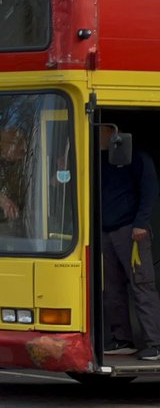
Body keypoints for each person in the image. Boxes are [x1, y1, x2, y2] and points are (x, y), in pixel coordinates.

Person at [99, 125, 160, 361]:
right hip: (105, 232)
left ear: (110, 131)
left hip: (131, 231)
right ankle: (122, 339)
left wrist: (141, 224)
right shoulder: (96, 159)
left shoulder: (137, 157)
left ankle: (155, 343)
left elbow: (150, 190)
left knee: (142, 285)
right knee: (111, 289)